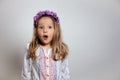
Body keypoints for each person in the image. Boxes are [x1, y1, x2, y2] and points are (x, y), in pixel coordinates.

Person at [21, 10, 70, 80]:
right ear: (36, 31)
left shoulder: (60, 49)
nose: (45, 30)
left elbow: (65, 73)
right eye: (41, 27)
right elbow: (26, 72)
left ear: (55, 30)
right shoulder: (31, 48)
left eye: (49, 27)